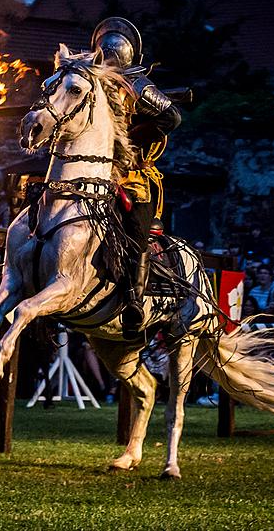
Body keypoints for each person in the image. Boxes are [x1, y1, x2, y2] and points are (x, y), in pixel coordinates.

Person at [90, 17, 182, 337]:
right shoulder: (89, 82)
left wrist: (140, 129)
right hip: (91, 168)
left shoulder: (138, 84)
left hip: (130, 176)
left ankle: (132, 298)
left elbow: (171, 116)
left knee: (136, 228)